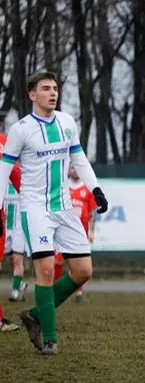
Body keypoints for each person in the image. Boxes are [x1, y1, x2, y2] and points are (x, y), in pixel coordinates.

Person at [0, 71, 110, 355]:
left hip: (63, 207)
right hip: (35, 208)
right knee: (46, 269)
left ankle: (35, 314)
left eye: (55, 88)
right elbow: (3, 170)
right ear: (32, 94)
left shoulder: (67, 122)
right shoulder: (20, 130)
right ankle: (49, 339)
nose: (53, 93)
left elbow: (79, 157)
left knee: (83, 272)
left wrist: (95, 188)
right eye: (46, 88)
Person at [1, 130, 26, 303]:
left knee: (18, 259)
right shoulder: (3, 174)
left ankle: (15, 292)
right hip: (4, 225)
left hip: (18, 226)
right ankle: (21, 284)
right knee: (10, 262)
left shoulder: (21, 175)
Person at [0, 133, 22, 332]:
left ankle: (16, 291)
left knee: (17, 260)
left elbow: (18, 177)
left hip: (9, 222)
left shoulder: (6, 142)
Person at [67, 165, 97, 303]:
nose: (74, 170)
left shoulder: (87, 188)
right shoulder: (63, 186)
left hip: (81, 232)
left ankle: (79, 292)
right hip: (64, 231)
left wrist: (91, 231)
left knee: (80, 263)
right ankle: (52, 291)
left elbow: (91, 214)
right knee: (57, 261)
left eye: (76, 167)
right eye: (71, 167)